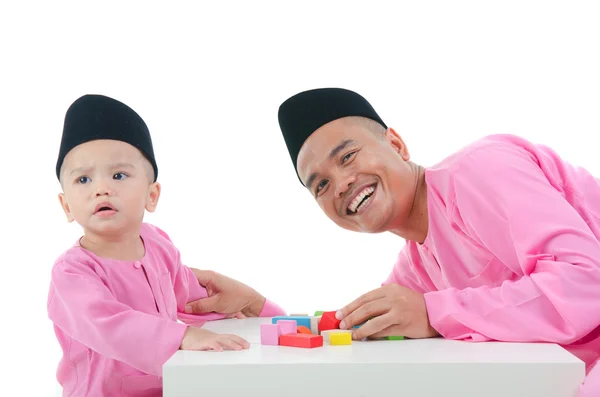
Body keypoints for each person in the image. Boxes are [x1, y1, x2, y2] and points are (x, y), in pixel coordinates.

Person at [186, 87, 600, 396]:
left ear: (396, 144)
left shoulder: (478, 170)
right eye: (321, 185)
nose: (342, 184)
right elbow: (351, 331)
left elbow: (585, 284)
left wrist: (432, 313)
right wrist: (260, 310)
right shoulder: (416, 266)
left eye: (347, 156)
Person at [47, 94, 285, 397]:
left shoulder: (158, 245)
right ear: (66, 206)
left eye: (119, 175)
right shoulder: (72, 272)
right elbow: (107, 324)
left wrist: (259, 309)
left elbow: (192, 300)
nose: (101, 189)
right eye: (83, 180)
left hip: (167, 386)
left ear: (152, 195)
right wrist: (183, 336)